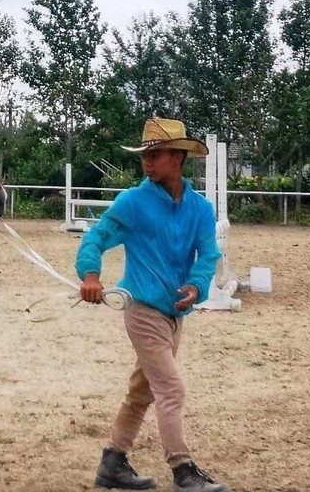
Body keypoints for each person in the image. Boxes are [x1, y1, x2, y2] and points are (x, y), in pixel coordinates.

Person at [75, 118, 230, 492]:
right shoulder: (133, 202)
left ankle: (113, 462)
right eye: (145, 154)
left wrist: (197, 285)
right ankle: (183, 470)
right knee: (171, 390)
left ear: (178, 157)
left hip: (175, 316)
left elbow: (208, 255)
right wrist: (91, 275)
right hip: (142, 312)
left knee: (142, 392)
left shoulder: (199, 209)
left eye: (155, 154)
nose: (147, 161)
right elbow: (96, 237)